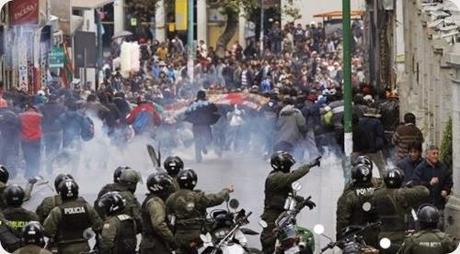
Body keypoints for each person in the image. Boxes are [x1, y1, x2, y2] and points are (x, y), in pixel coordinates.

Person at [260, 152, 320, 254]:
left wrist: (303, 200)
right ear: (281, 165)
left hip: (283, 217)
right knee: (269, 246)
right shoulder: (275, 178)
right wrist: (309, 165)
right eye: (288, 165)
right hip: (272, 218)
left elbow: (287, 195)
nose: (289, 168)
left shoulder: (280, 177)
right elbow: (293, 176)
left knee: (292, 242)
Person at [166, 169, 234, 254]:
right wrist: (226, 190)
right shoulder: (197, 197)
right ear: (194, 182)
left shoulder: (171, 198)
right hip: (197, 237)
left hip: (179, 237)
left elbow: (168, 217)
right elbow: (217, 198)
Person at [372, 168, 430, 253]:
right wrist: (408, 187)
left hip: (382, 236)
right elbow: (425, 191)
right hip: (400, 237)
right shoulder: (403, 193)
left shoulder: (376, 194)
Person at [43, 179, 103, 254]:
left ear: (61, 193)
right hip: (84, 248)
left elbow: (47, 231)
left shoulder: (57, 211)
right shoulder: (87, 207)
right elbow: (99, 225)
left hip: (63, 249)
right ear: (76, 192)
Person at [336, 164, 379, 249]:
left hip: (355, 238)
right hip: (378, 237)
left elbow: (342, 222)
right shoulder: (378, 193)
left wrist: (340, 241)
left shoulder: (348, 197)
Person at [140, 173, 177, 253]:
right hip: (155, 245)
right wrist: (172, 240)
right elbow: (159, 225)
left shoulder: (153, 200)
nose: (169, 189)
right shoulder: (155, 202)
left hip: (153, 243)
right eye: (167, 186)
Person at [411, 145, 452, 210]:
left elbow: (449, 181)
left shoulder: (443, 167)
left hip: (439, 205)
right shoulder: (420, 168)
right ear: (427, 155)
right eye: (433, 153)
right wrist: (429, 183)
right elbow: (415, 183)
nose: (436, 156)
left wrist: (446, 190)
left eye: (437, 153)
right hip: (424, 206)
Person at [184, 90, 220, 162]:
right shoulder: (208, 103)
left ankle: (198, 156)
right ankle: (203, 146)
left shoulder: (193, 104)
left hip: (196, 125)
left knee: (197, 140)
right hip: (205, 125)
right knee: (209, 139)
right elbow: (215, 109)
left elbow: (187, 112)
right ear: (204, 96)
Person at [19, 104, 42, 178]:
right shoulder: (39, 116)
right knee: (36, 156)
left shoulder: (21, 116)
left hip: (25, 139)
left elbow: (19, 126)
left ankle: (28, 173)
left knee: (27, 156)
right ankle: (35, 172)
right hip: (36, 139)